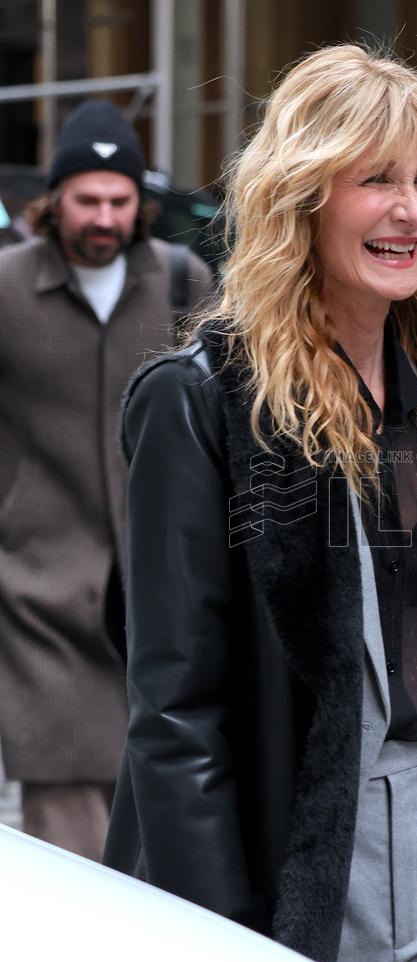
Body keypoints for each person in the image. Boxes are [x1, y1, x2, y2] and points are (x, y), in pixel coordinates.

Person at [104, 45, 417, 962]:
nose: (411, 211)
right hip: (299, 849)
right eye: (375, 180)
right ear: (303, 198)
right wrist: (226, 951)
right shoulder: (199, 401)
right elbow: (173, 709)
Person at [0, 99, 212, 862]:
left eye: (119, 201)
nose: (103, 217)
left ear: (140, 205)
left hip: (162, 596)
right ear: (54, 201)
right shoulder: (6, 288)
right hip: (37, 596)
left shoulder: (185, 283)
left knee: (159, 820)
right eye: (87, 200)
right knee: (65, 839)